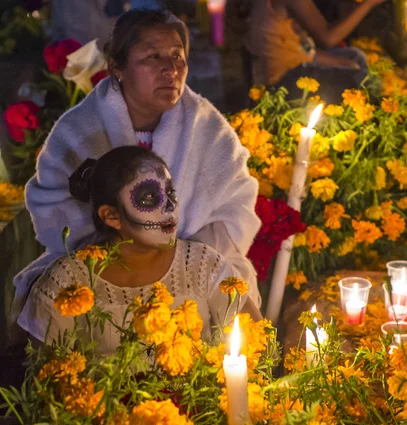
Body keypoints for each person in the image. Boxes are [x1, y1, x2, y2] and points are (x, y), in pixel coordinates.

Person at [13, 9, 261, 327]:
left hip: (194, 272)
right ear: (117, 67)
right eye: (152, 57)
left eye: (177, 56)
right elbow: (55, 211)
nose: (170, 69)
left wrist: (178, 261)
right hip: (103, 273)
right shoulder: (78, 130)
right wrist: (128, 257)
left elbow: (235, 210)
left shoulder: (209, 128)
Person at [18, 147, 259, 356]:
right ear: (111, 216)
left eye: (171, 193)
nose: (170, 207)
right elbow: (45, 382)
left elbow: (258, 344)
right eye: (149, 197)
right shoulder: (66, 284)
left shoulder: (203, 266)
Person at [247, 0, 386, 101]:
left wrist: (342, 63)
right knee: (365, 80)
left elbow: (304, 48)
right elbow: (327, 39)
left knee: (355, 57)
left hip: (295, 64)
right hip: (284, 81)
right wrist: (368, 4)